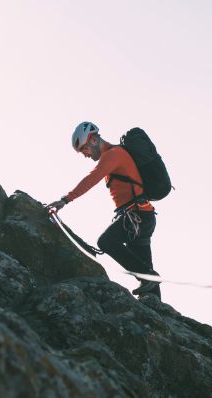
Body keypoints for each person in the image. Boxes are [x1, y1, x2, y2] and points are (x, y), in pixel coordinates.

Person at [46, 121, 161, 299]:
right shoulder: (115, 155)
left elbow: (92, 178)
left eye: (84, 149)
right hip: (143, 217)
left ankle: (149, 280)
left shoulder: (113, 155)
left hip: (136, 216)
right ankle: (156, 307)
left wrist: (65, 200)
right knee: (145, 269)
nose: (85, 155)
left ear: (92, 140)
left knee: (106, 242)